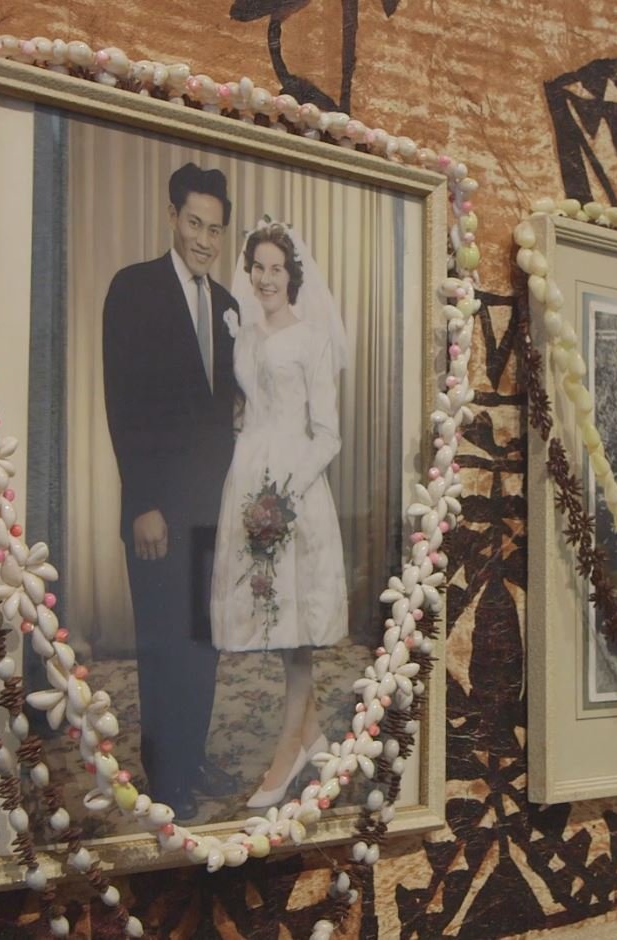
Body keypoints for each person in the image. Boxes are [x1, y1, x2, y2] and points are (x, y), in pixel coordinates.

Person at [100, 163, 241, 819]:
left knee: (204, 639)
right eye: (194, 223)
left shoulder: (230, 305)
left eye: (214, 229)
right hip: (157, 506)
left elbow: (225, 408)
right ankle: (166, 776)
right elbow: (122, 404)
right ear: (171, 216)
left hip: (214, 507)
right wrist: (141, 505)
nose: (203, 240)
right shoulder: (133, 289)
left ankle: (193, 753)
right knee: (163, 643)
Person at [210, 219, 350, 808]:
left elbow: (328, 435)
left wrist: (282, 492)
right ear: (250, 273)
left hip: (293, 488)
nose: (267, 279)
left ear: (293, 277)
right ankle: (311, 732)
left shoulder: (312, 339)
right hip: (248, 476)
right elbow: (246, 409)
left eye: (277, 269)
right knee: (275, 618)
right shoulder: (243, 336)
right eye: (258, 268)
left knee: (297, 627)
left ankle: (287, 752)